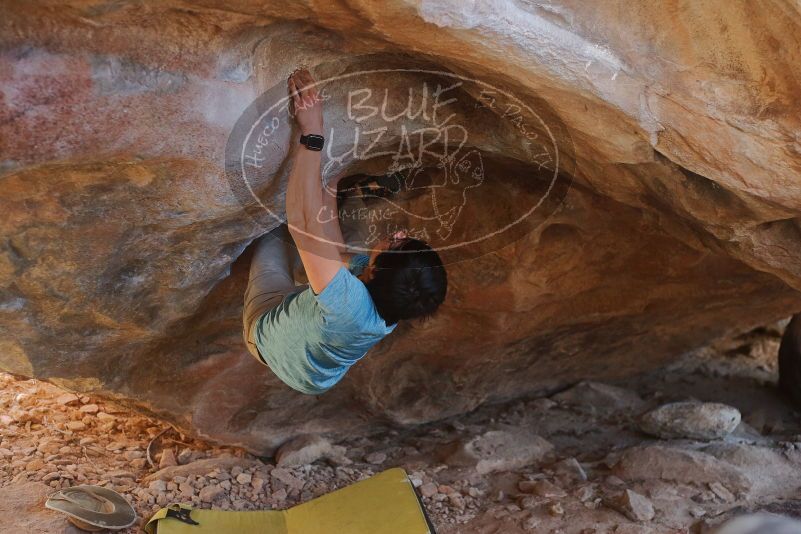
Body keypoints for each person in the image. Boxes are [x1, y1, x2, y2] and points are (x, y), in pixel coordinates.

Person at [242, 68, 448, 395]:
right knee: (345, 238)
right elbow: (336, 250)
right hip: (317, 371)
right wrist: (331, 185)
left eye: (398, 244)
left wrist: (313, 132)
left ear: (374, 271)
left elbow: (301, 221)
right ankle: (342, 209)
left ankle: (304, 269)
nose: (398, 235)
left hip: (267, 337)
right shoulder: (396, 303)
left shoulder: (347, 303)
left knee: (273, 231)